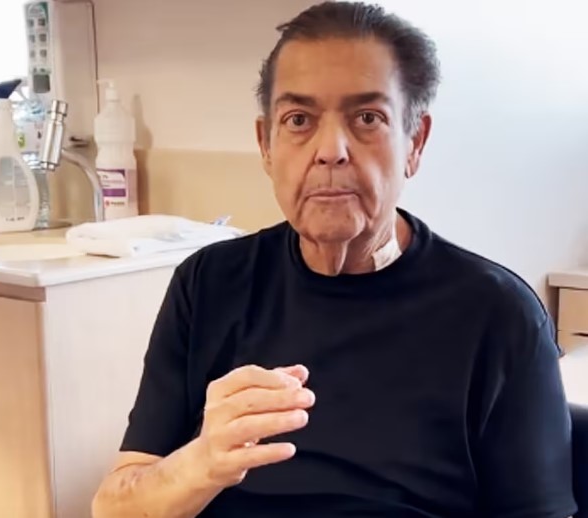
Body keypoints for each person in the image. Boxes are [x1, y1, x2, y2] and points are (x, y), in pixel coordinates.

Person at [91, 2, 578, 517]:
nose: (331, 150)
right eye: (298, 120)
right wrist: (202, 462)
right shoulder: (208, 283)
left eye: (367, 118)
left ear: (415, 142)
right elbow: (113, 508)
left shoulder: (497, 314)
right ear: (266, 145)